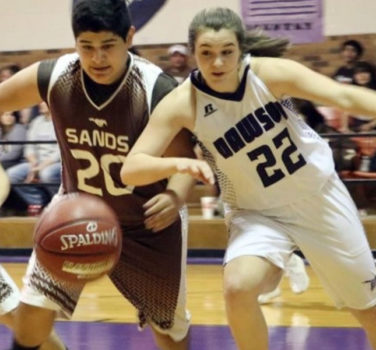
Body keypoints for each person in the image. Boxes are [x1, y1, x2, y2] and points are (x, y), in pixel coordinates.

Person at [121, 7, 376, 350]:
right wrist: (179, 165)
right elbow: (130, 167)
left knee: (369, 311)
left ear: (240, 49)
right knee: (238, 288)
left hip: (318, 198)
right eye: (206, 53)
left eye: (227, 52)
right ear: (194, 53)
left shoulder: (269, 74)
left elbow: (344, 96)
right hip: (256, 213)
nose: (217, 63)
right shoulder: (184, 102)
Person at [0, 1, 196, 349]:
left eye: (108, 46)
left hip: (147, 226)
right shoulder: (55, 76)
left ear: (129, 37)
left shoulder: (156, 88)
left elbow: (182, 161)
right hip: (75, 219)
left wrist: (174, 195)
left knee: (169, 333)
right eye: (86, 47)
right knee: (30, 322)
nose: (97, 58)